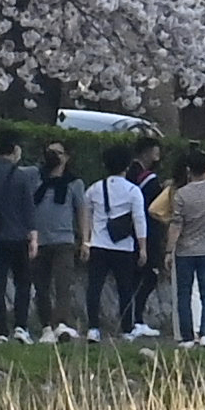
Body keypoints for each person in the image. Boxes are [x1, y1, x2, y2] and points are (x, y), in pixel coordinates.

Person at [75, 146, 153, 340]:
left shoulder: (94, 188)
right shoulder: (133, 191)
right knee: (125, 289)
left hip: (98, 245)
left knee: (95, 287)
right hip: (123, 247)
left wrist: (85, 241)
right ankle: (126, 328)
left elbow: (86, 215)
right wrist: (143, 248)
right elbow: (139, 220)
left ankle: (93, 328)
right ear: (127, 166)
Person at [158, 151, 205, 345]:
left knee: (183, 294)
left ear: (188, 170)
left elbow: (176, 225)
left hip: (185, 250)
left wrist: (169, 251)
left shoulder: (182, 195)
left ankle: (187, 337)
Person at [0, 138, 45, 341]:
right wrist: (33, 237)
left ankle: (1, 331)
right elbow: (28, 208)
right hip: (17, 237)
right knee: (23, 283)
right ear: (15, 150)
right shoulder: (21, 176)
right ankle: (20, 326)